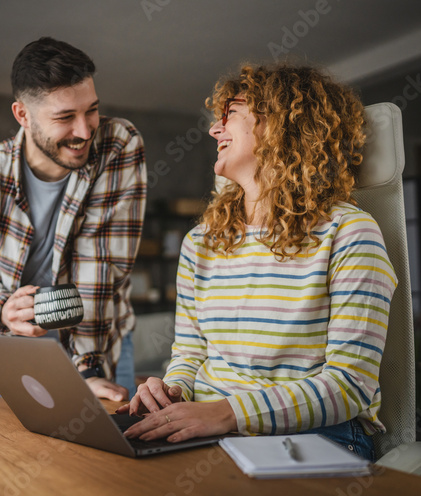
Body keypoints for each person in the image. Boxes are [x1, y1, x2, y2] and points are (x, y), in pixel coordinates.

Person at [117, 63, 397, 461]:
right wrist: (172, 392)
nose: (215, 130)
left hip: (319, 435)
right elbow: (190, 355)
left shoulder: (350, 233)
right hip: (208, 426)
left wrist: (227, 413)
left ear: (283, 125)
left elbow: (350, 386)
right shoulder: (201, 242)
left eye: (231, 113)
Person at [0, 37, 147, 401]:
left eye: (91, 110)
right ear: (22, 115)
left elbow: (99, 260)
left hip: (101, 342)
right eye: (65, 117)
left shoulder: (118, 145)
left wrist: (88, 366)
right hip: (19, 350)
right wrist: (2, 306)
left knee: (111, 453)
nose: (85, 131)